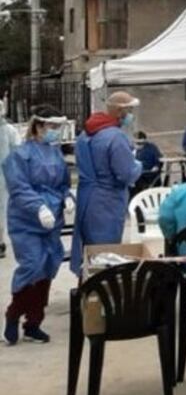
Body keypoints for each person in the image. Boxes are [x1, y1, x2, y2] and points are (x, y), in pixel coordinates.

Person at [3, 106, 72, 344]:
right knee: (33, 264)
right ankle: (13, 314)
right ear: (38, 126)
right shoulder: (19, 156)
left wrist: (68, 197)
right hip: (26, 221)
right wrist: (38, 207)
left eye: (57, 127)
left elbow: (63, 183)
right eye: (51, 127)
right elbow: (19, 188)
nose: (55, 132)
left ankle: (33, 323)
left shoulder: (55, 154)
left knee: (49, 266)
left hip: (52, 219)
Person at [70, 92, 144, 275]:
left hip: (87, 198)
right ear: (120, 111)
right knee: (105, 254)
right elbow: (126, 173)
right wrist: (138, 164)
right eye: (130, 110)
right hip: (106, 202)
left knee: (89, 248)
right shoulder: (115, 137)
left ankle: (87, 290)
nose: (132, 114)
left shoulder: (85, 133)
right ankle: (100, 294)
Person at [0, 98, 22, 259]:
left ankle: (0, 242)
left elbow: (17, 152)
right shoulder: (8, 130)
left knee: (1, 211)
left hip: (3, 178)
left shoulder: (8, 130)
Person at [132, 131, 163, 195]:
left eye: (141, 143)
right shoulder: (131, 149)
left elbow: (159, 160)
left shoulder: (151, 148)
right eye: (137, 143)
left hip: (147, 173)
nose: (139, 145)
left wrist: (157, 166)